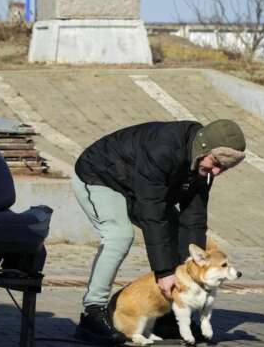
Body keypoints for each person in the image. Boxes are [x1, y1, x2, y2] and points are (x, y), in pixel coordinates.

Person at [72, 119, 247, 344]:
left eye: (224, 167)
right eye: (216, 163)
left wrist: (191, 271)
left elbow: (193, 220)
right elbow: (153, 214)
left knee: (176, 235)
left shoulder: (204, 167)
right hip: (99, 175)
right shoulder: (163, 149)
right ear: (204, 148)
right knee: (120, 235)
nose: (217, 171)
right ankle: (92, 314)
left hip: (136, 185)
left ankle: (167, 318)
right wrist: (165, 273)